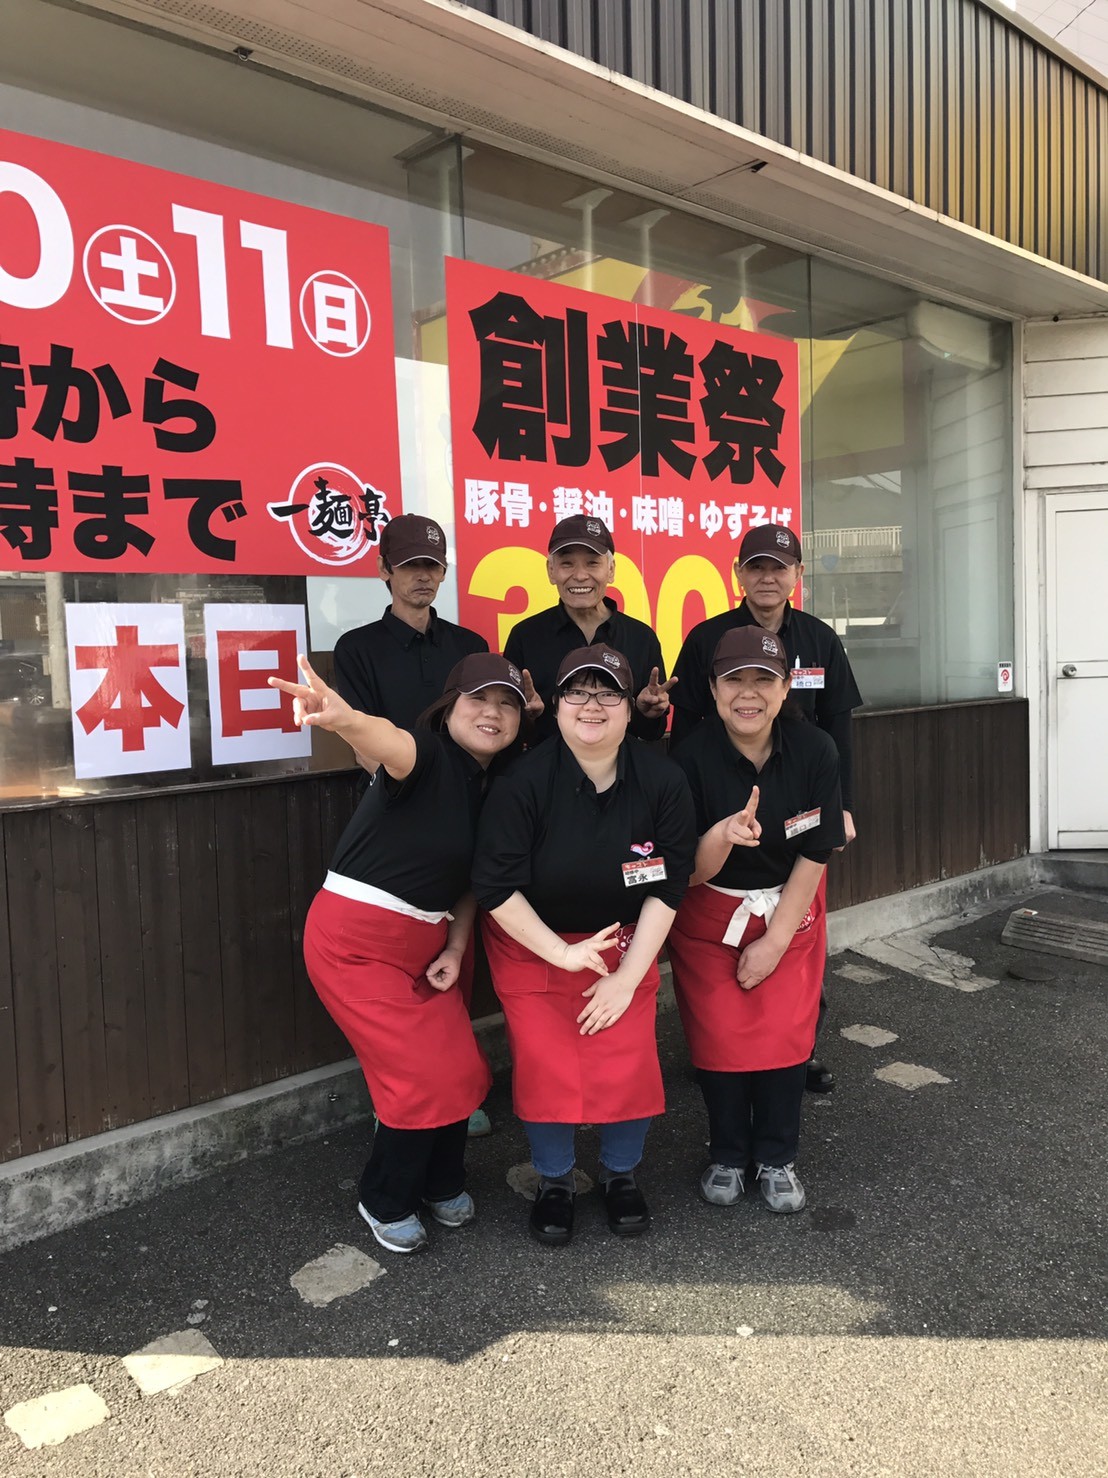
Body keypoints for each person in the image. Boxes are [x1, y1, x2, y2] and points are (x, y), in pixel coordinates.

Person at [267, 650, 526, 1255]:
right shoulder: (428, 755)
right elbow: (386, 741)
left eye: (506, 705)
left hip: (427, 943)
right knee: (420, 1076)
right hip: (353, 943)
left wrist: (458, 945)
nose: (492, 713)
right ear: (449, 707)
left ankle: (441, 1183)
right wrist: (342, 717)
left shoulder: (494, 789)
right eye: (478, 700)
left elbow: (470, 883)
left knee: (464, 1067)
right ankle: (384, 1197)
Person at [471, 645, 696, 1247]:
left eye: (608, 693)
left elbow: (671, 884)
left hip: (627, 942)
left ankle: (621, 1175)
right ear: (557, 705)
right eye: (577, 692)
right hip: (531, 943)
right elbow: (494, 885)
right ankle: (553, 1180)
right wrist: (562, 954)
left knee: (628, 1066)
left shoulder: (662, 778)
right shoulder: (522, 781)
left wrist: (625, 977)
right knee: (546, 1068)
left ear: (630, 710)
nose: (591, 705)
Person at [669, 522, 862, 1094]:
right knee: (710, 950)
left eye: (780, 567)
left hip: (800, 807)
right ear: (739, 575)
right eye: (756, 567)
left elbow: (839, 727)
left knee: (799, 935)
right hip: (722, 811)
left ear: (797, 576)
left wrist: (842, 805)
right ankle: (715, 1051)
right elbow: (685, 731)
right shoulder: (708, 637)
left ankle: (797, 1050)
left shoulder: (820, 639)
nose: (768, 577)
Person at [667, 626, 844, 1214]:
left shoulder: (815, 748)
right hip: (708, 908)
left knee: (786, 1039)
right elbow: (682, 871)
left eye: (763, 680)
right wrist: (719, 837)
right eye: (734, 680)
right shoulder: (686, 756)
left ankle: (777, 1155)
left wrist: (774, 940)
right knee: (717, 1038)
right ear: (713, 689)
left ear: (785, 685)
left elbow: (815, 851)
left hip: (790, 906)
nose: (749, 694)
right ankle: (727, 1151)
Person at [504, 514, 674, 745]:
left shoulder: (641, 638)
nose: (580, 575)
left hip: (622, 774)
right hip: (547, 774)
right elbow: (513, 731)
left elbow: (651, 733)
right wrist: (526, 717)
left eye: (592, 563)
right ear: (551, 570)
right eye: (567, 563)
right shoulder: (525, 636)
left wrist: (648, 713)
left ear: (611, 569)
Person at [333, 513, 489, 731]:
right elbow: (361, 741)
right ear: (384, 568)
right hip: (390, 765)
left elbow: (481, 730)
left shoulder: (472, 646)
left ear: (443, 571)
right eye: (410, 565)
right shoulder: (354, 649)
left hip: (464, 766)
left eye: (432, 565)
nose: (424, 576)